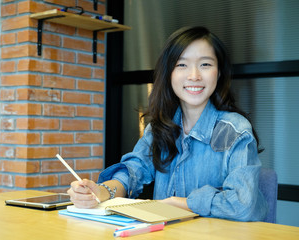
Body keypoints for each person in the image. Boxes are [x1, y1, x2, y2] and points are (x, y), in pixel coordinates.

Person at [67, 26, 267, 221]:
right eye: (181, 65)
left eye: (205, 64)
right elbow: (134, 171)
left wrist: (182, 203)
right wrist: (102, 191)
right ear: (168, 73)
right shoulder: (159, 128)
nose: (194, 75)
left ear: (219, 72)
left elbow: (242, 204)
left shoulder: (235, 131)